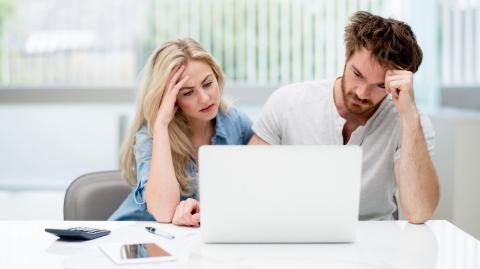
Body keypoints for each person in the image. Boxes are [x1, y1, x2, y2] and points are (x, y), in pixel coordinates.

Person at [249, 11, 439, 223]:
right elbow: (251, 185)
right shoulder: (287, 102)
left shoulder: (410, 121)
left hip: (375, 240)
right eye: (357, 74)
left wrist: (410, 117)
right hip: (296, 229)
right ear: (346, 56)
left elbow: (419, 211)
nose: (361, 93)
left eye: (379, 85)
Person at [110, 38, 253, 226]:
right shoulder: (150, 136)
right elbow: (164, 212)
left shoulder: (234, 122)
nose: (204, 98)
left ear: (217, 77)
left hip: (191, 242)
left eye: (208, 83)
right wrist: (161, 125)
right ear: (170, 99)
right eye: (188, 93)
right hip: (137, 238)